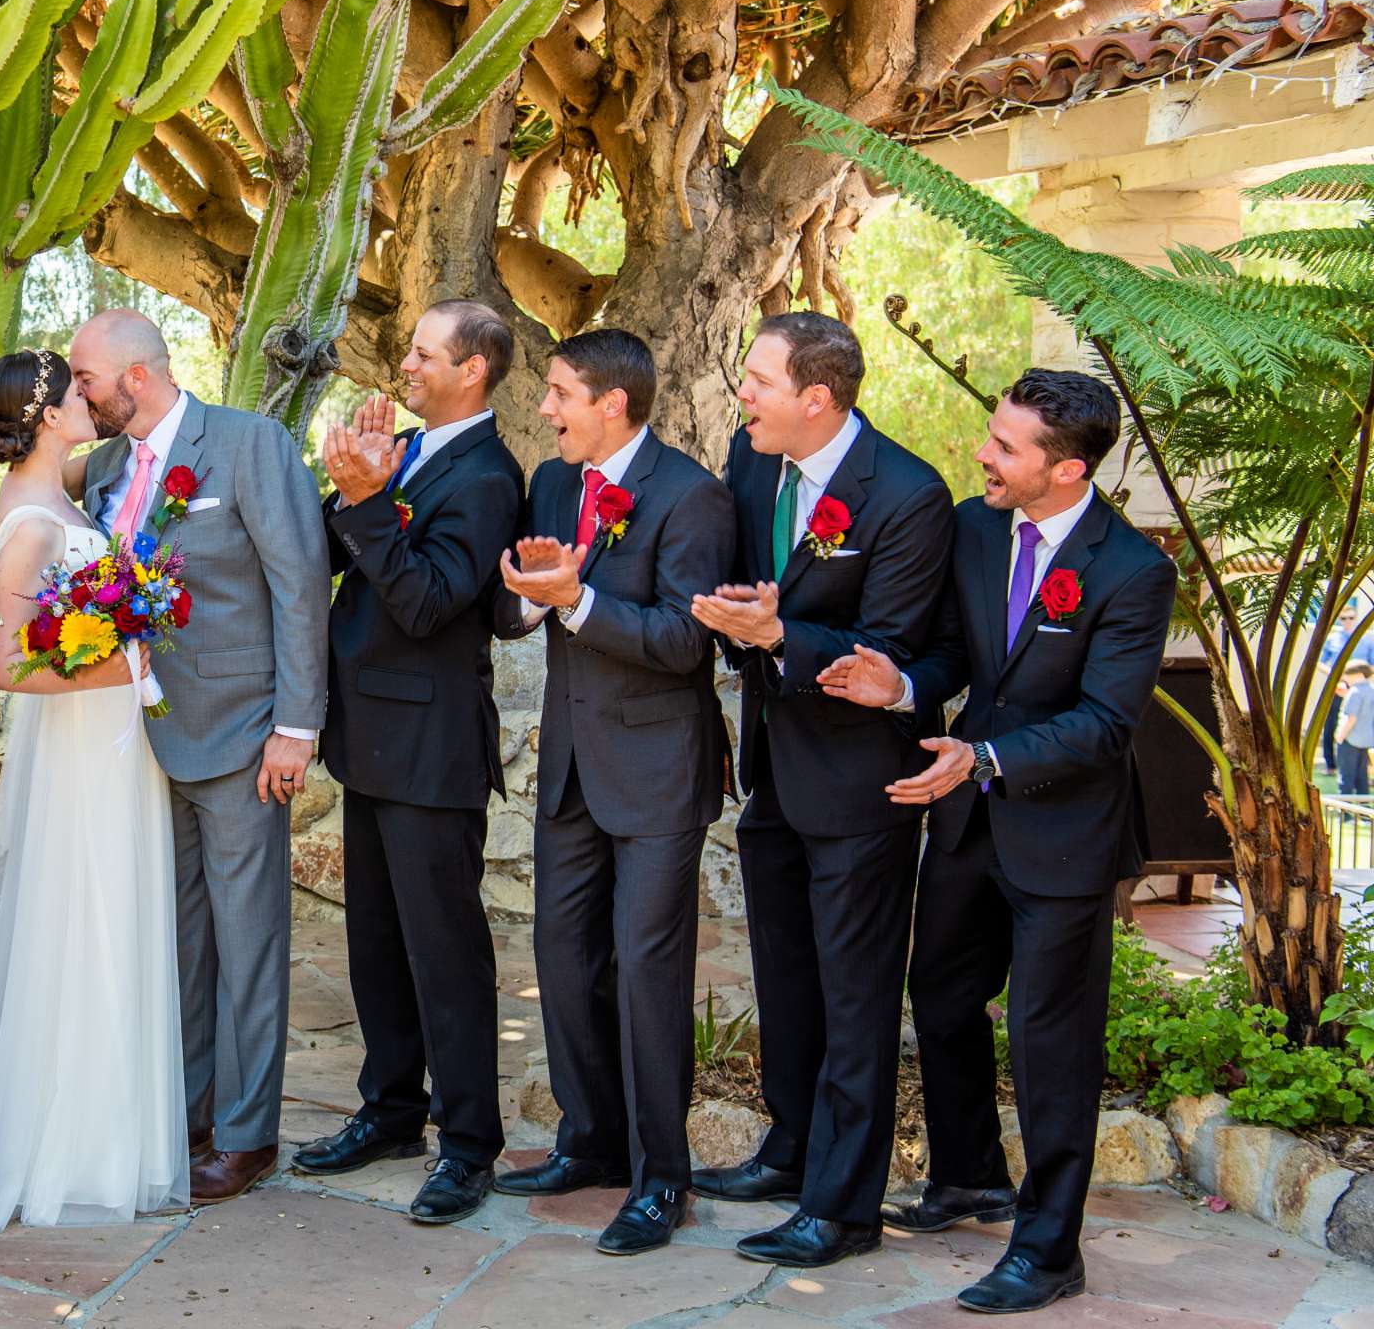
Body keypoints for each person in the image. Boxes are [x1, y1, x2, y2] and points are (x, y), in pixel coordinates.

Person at [820, 368, 1177, 1314]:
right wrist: (896, 686)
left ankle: (1051, 1248)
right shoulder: (977, 529)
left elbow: (1105, 724)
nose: (984, 453)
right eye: (993, 434)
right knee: (938, 992)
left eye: (1006, 446)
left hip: (1064, 836)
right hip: (970, 818)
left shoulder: (1134, 570)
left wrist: (981, 755)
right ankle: (968, 1174)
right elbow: (951, 653)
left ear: (1065, 473)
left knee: (1049, 1039)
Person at [687, 310, 953, 1268]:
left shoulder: (911, 496)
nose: (741, 394)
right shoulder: (754, 459)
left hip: (859, 785)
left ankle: (842, 1208)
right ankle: (791, 1150)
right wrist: (734, 620)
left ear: (817, 397)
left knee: (855, 999)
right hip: (774, 771)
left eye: (757, 380)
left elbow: (890, 646)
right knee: (788, 984)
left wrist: (778, 637)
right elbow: (742, 586)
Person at [67, 309, 328, 1203]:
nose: (80, 393)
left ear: (136, 376)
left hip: (242, 733)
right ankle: (187, 1112)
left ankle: (249, 1134)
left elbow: (299, 585)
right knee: (177, 941)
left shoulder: (251, 445)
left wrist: (295, 726)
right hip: (135, 740)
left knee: (248, 938)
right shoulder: (102, 468)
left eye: (87, 380)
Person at [491, 331, 736, 1254]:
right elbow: (510, 606)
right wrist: (526, 594)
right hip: (571, 767)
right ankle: (587, 1141)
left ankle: (660, 1175)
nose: (546, 408)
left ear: (613, 405)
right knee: (561, 954)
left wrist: (576, 603)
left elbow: (684, 642)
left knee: (646, 967)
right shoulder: (553, 484)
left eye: (559, 393)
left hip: (659, 771)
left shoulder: (692, 498)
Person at [291, 303, 522, 1225]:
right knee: (376, 947)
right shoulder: (411, 455)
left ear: (472, 371)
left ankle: (468, 1145)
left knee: (445, 954)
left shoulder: (490, 477)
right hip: (370, 736)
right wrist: (354, 489)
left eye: (425, 353)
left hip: (432, 747)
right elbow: (330, 551)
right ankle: (389, 1112)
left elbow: (427, 603)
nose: (407, 365)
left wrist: (366, 501)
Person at [0, 348, 188, 1229]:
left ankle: (116, 1139)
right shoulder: (30, 522)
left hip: (112, 745)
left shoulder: (71, 498)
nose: (91, 399)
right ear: (48, 412)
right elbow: (10, 665)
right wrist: (127, 671)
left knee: (118, 922)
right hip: (78, 747)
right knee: (82, 925)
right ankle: (69, 1152)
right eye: (77, 390)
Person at [1339, 661, 1374, 796]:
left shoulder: (1354, 692)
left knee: (1346, 777)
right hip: (1367, 740)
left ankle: (1345, 813)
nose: (1345, 678)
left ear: (1358, 674)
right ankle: (1364, 812)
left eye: (1348, 675)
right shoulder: (1371, 690)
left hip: (1350, 739)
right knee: (1362, 778)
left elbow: (1351, 718)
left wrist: (1340, 737)